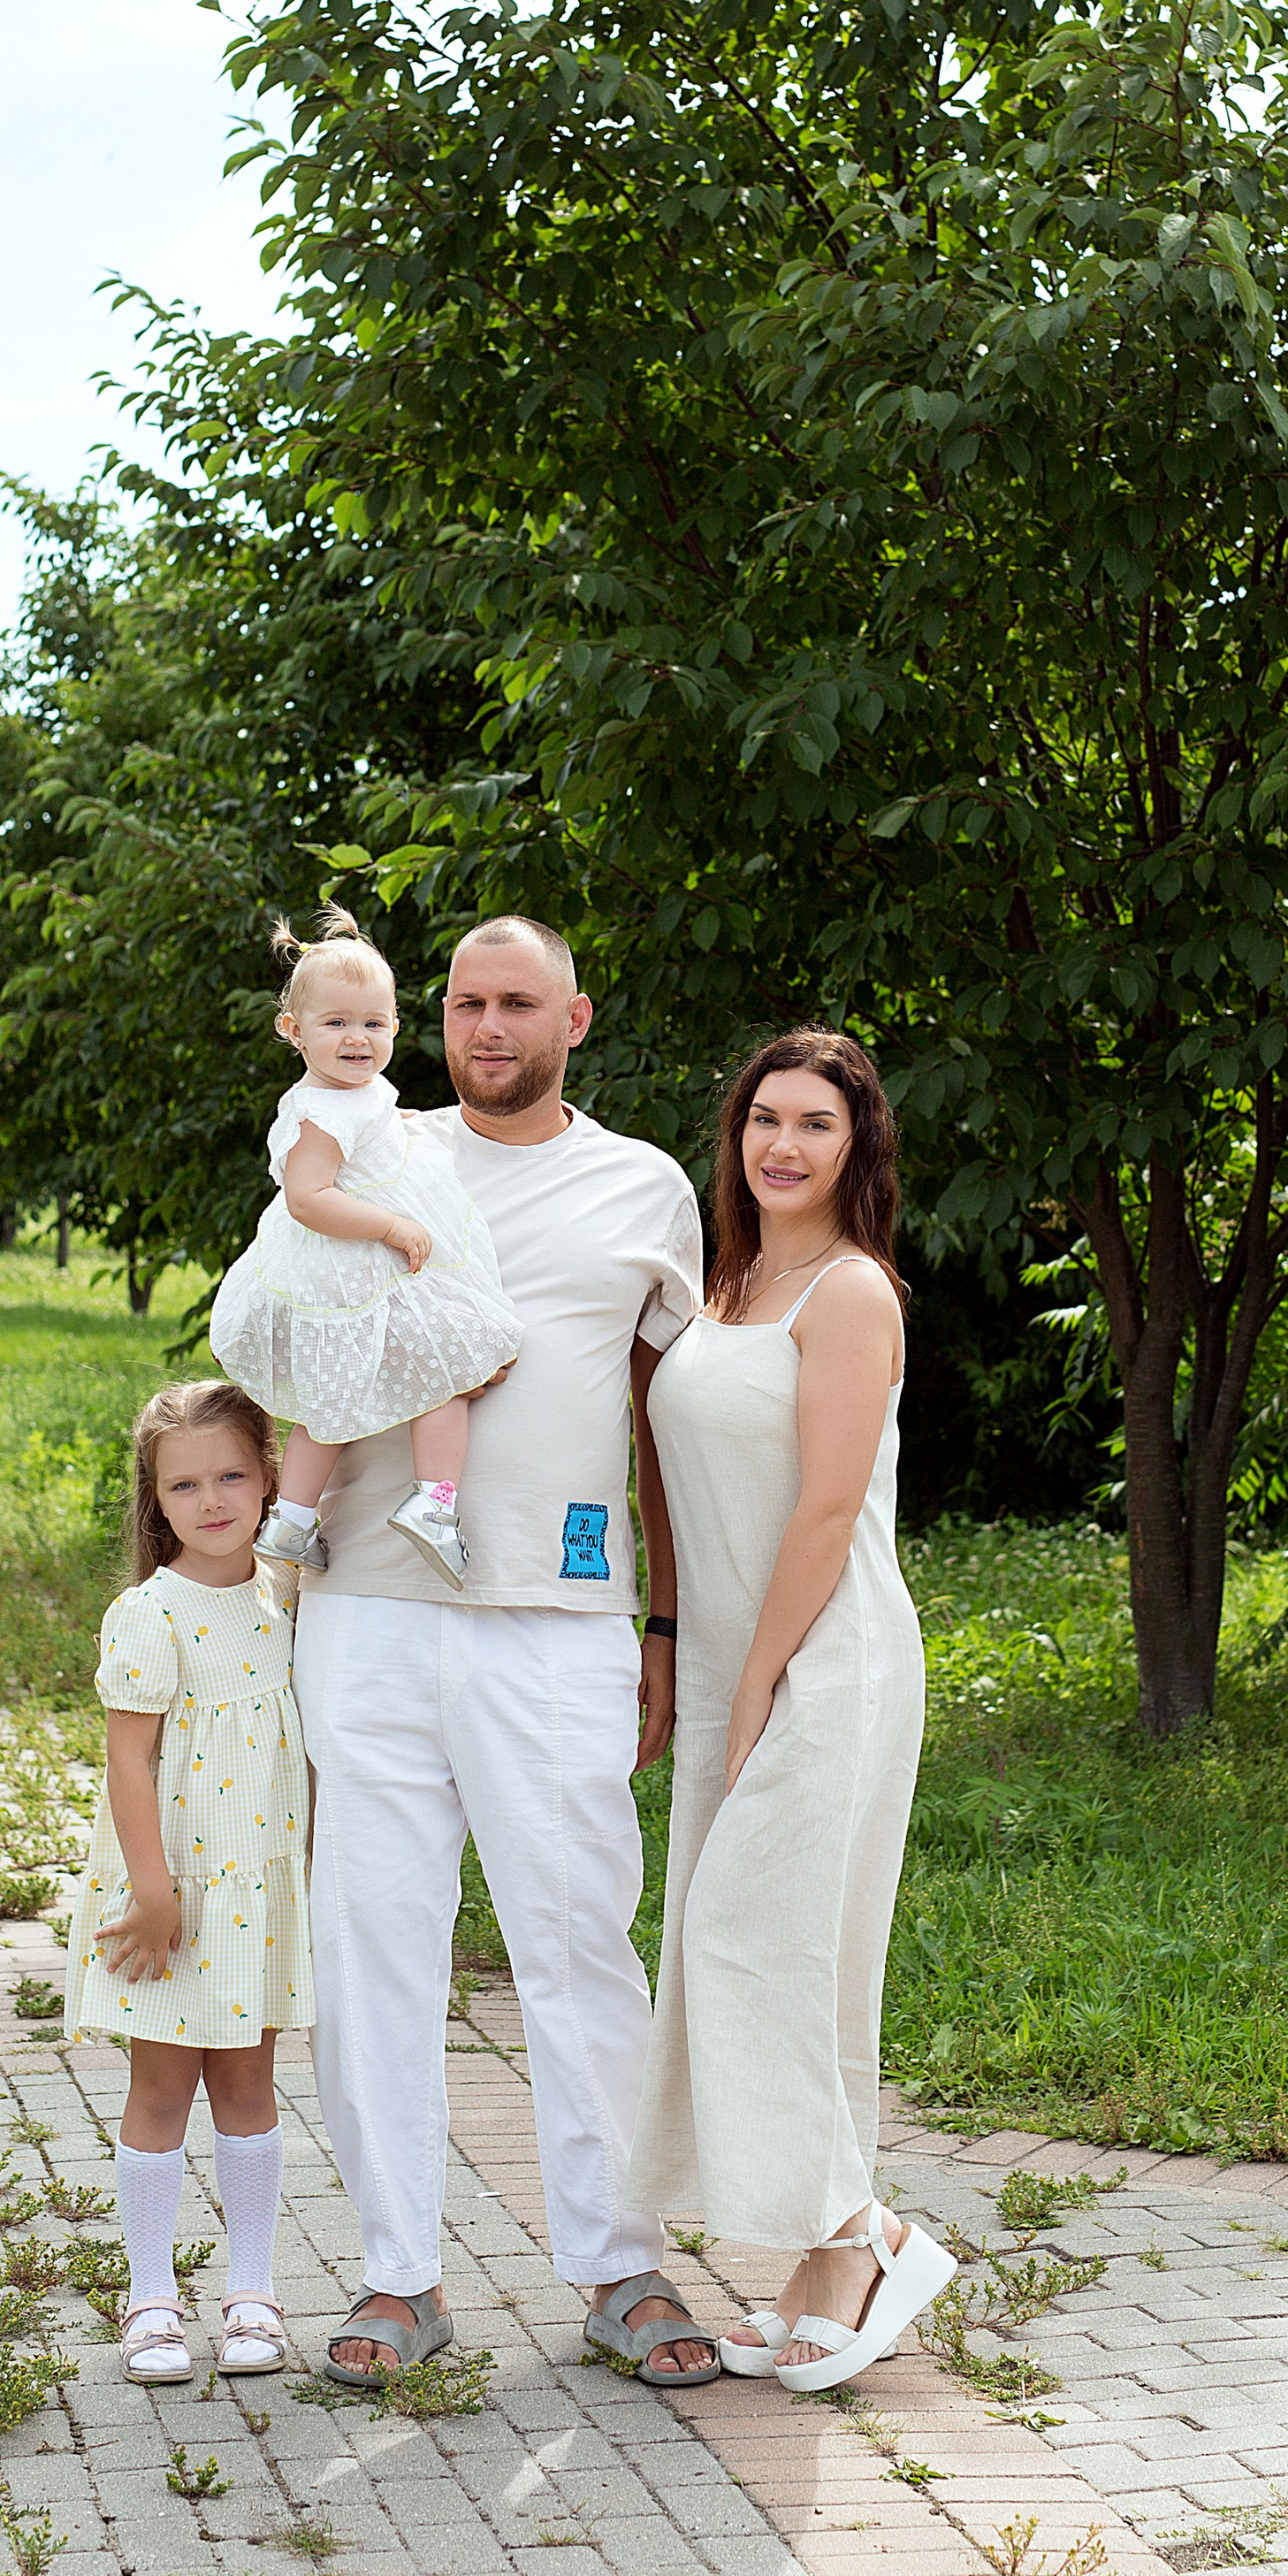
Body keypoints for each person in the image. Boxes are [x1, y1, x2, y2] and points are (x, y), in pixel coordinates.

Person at [292, 915, 720, 2387]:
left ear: (575, 1019)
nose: (485, 1026)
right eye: (464, 1002)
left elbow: (673, 1420)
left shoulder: (645, 1189)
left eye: (515, 1002)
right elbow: (282, 1344)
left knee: (579, 1941)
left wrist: (665, 1618)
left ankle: (619, 2264)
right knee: (374, 1947)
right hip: (371, 1608)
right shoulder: (368, 1152)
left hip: (562, 1620)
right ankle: (397, 2276)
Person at [629, 1029, 955, 2391]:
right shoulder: (727, 1284)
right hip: (728, 1660)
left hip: (826, 1659)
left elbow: (827, 1506)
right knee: (781, 1962)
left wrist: (759, 1676)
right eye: (764, 1117)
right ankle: (820, 2266)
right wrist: (677, 1644)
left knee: (751, 1939)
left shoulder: (852, 1292)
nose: (784, 1144)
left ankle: (865, 2236)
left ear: (856, 1146)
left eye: (816, 1124)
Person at [60, 1379, 315, 2385]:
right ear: (154, 1502)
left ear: (268, 1479)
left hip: (257, 1888)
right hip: (170, 1888)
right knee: (162, 2085)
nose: (211, 1500)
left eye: (232, 1476)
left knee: (249, 2082)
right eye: (184, 1484)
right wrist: (154, 1890)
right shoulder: (150, 1613)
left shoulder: (288, 1593)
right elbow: (130, 1761)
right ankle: (150, 2295)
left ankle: (251, 2288)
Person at [210, 912, 523, 1588]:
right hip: (346, 1265)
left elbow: (369, 1128)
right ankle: (434, 1502)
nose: (358, 1039)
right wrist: (390, 1226)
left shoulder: (354, 1095)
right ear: (293, 1030)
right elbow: (308, 1196)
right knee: (452, 1356)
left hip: (350, 1272)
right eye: (336, 1024)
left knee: (333, 1399)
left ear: (395, 1027)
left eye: (373, 1023)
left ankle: (292, 1520)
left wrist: (393, 1128)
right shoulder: (320, 1113)